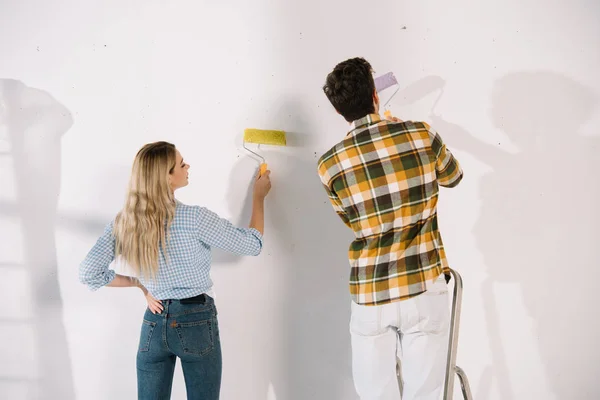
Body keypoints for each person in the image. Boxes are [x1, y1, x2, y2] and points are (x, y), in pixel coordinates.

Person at [79, 141, 271, 400]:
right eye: (181, 164)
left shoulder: (125, 221)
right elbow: (252, 244)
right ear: (167, 177)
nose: (187, 165)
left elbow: (88, 272)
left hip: (153, 324)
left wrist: (141, 284)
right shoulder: (194, 218)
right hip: (196, 320)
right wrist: (259, 198)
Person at [318, 57, 463, 400]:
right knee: (425, 393)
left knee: (374, 394)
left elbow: (351, 220)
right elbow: (454, 176)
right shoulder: (420, 133)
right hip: (423, 285)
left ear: (340, 113)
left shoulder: (329, 165)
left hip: (371, 295)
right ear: (376, 96)